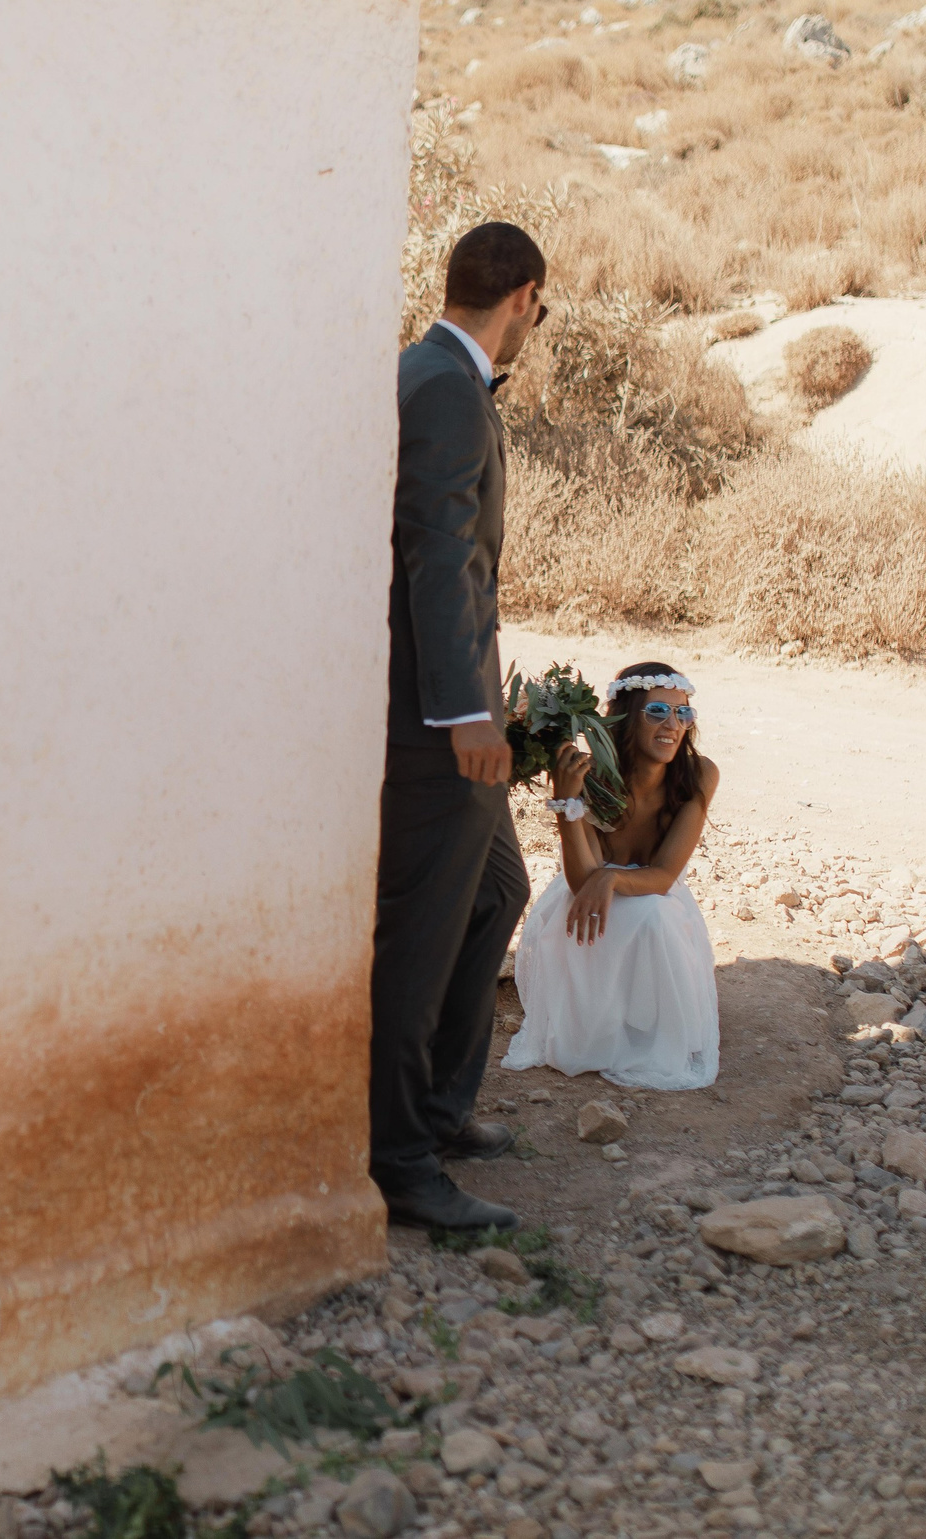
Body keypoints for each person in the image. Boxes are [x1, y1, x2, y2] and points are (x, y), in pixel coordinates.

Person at [370, 222, 550, 1232]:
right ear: (522, 296)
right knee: (418, 940)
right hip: (433, 723)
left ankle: (439, 1110)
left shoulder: (432, 373)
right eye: (539, 311)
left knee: (497, 894)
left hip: (456, 707)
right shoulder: (441, 385)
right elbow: (437, 558)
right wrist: (466, 713)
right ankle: (399, 1163)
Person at [502, 662, 721, 1090]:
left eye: (683, 713)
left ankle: (650, 1032)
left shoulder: (698, 774)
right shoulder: (592, 777)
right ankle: (598, 1032)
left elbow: (663, 876)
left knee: (654, 917)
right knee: (586, 913)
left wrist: (612, 879)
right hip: (589, 890)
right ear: (623, 718)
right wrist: (566, 801)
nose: (672, 725)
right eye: (657, 711)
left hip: (656, 896)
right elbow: (584, 880)